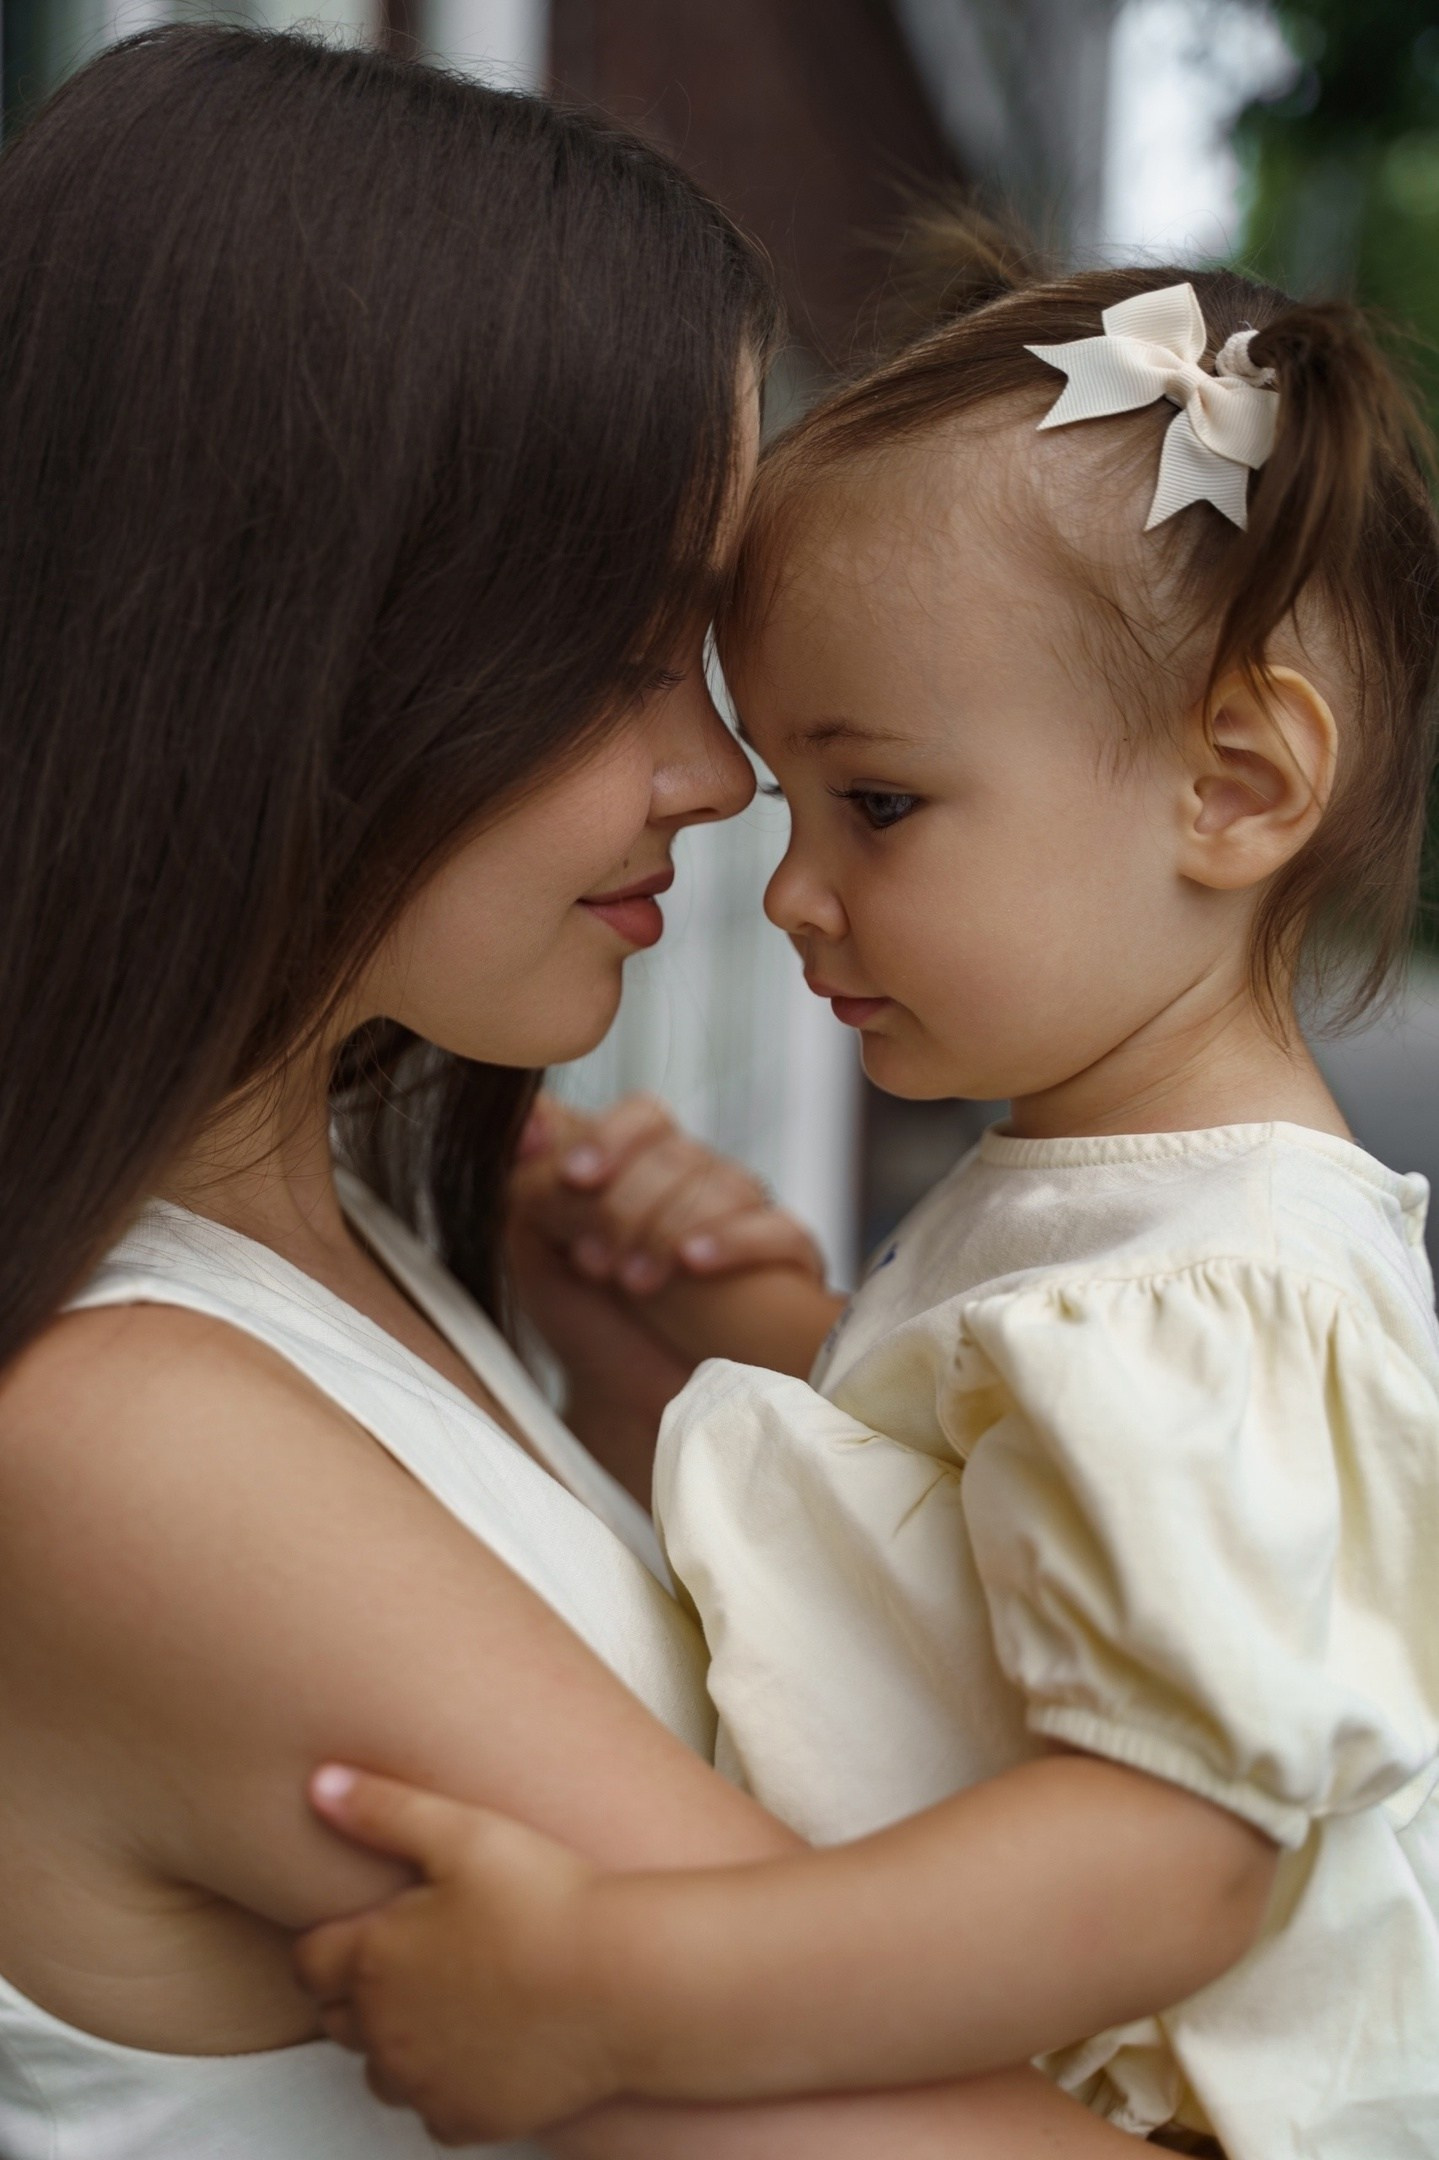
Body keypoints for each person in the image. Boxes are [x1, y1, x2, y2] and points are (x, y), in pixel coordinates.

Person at [0, 32, 1149, 2160]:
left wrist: (685, 1426)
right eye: (626, 649)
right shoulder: (130, 1450)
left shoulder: (350, 1242)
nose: (717, 778)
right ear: (301, 632)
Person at [293, 241, 1439, 2160]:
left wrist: (614, 1992)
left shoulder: (1221, 1286)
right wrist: (746, 1343)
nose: (791, 888)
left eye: (879, 804)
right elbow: (968, 1622)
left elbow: (1164, 1868)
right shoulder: (1105, 1222)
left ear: (1236, 784)